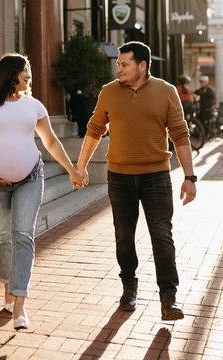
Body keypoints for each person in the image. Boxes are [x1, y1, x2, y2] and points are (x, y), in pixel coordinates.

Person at [76, 41, 196, 321]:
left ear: (142, 65)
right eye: (118, 63)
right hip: (119, 177)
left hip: (156, 176)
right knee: (123, 235)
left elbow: (180, 134)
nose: (118, 68)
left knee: (162, 236)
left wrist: (189, 177)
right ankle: (129, 287)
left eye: (124, 63)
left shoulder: (166, 92)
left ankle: (168, 297)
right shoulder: (108, 92)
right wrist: (80, 167)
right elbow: (95, 129)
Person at [0, 53, 83, 330]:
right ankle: (8, 284)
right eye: (24, 70)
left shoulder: (34, 106)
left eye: (29, 69)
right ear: (9, 74)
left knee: (22, 234)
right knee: (3, 235)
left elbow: (50, 142)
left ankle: (19, 302)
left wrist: (72, 170)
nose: (28, 74)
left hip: (30, 177)